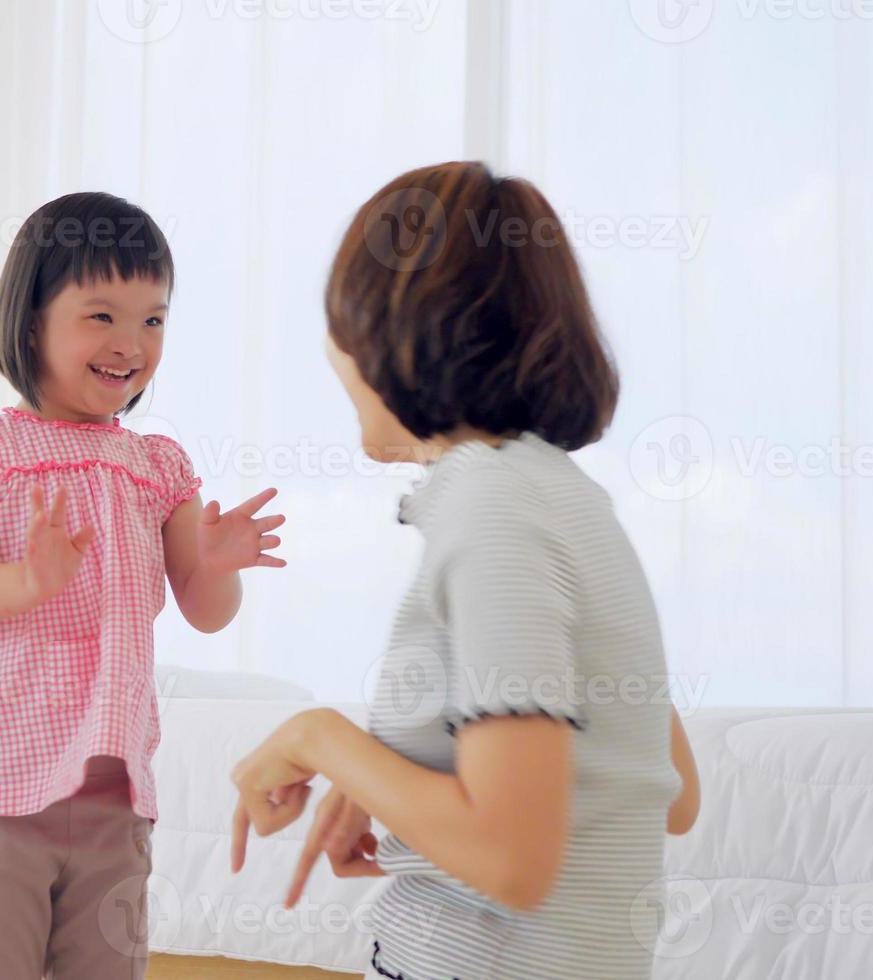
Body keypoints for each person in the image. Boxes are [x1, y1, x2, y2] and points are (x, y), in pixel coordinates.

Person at [229, 161, 702, 980]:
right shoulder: (567, 500)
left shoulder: (493, 515)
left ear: (396, 330)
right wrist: (398, 794)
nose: (332, 352)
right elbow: (667, 793)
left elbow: (514, 858)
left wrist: (323, 740)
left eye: (341, 322)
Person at [0, 191, 286, 977]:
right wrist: (27, 579)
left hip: (115, 792)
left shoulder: (158, 467)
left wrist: (217, 568)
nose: (132, 343)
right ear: (29, 323)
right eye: (102, 316)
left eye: (153, 320)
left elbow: (206, 610)